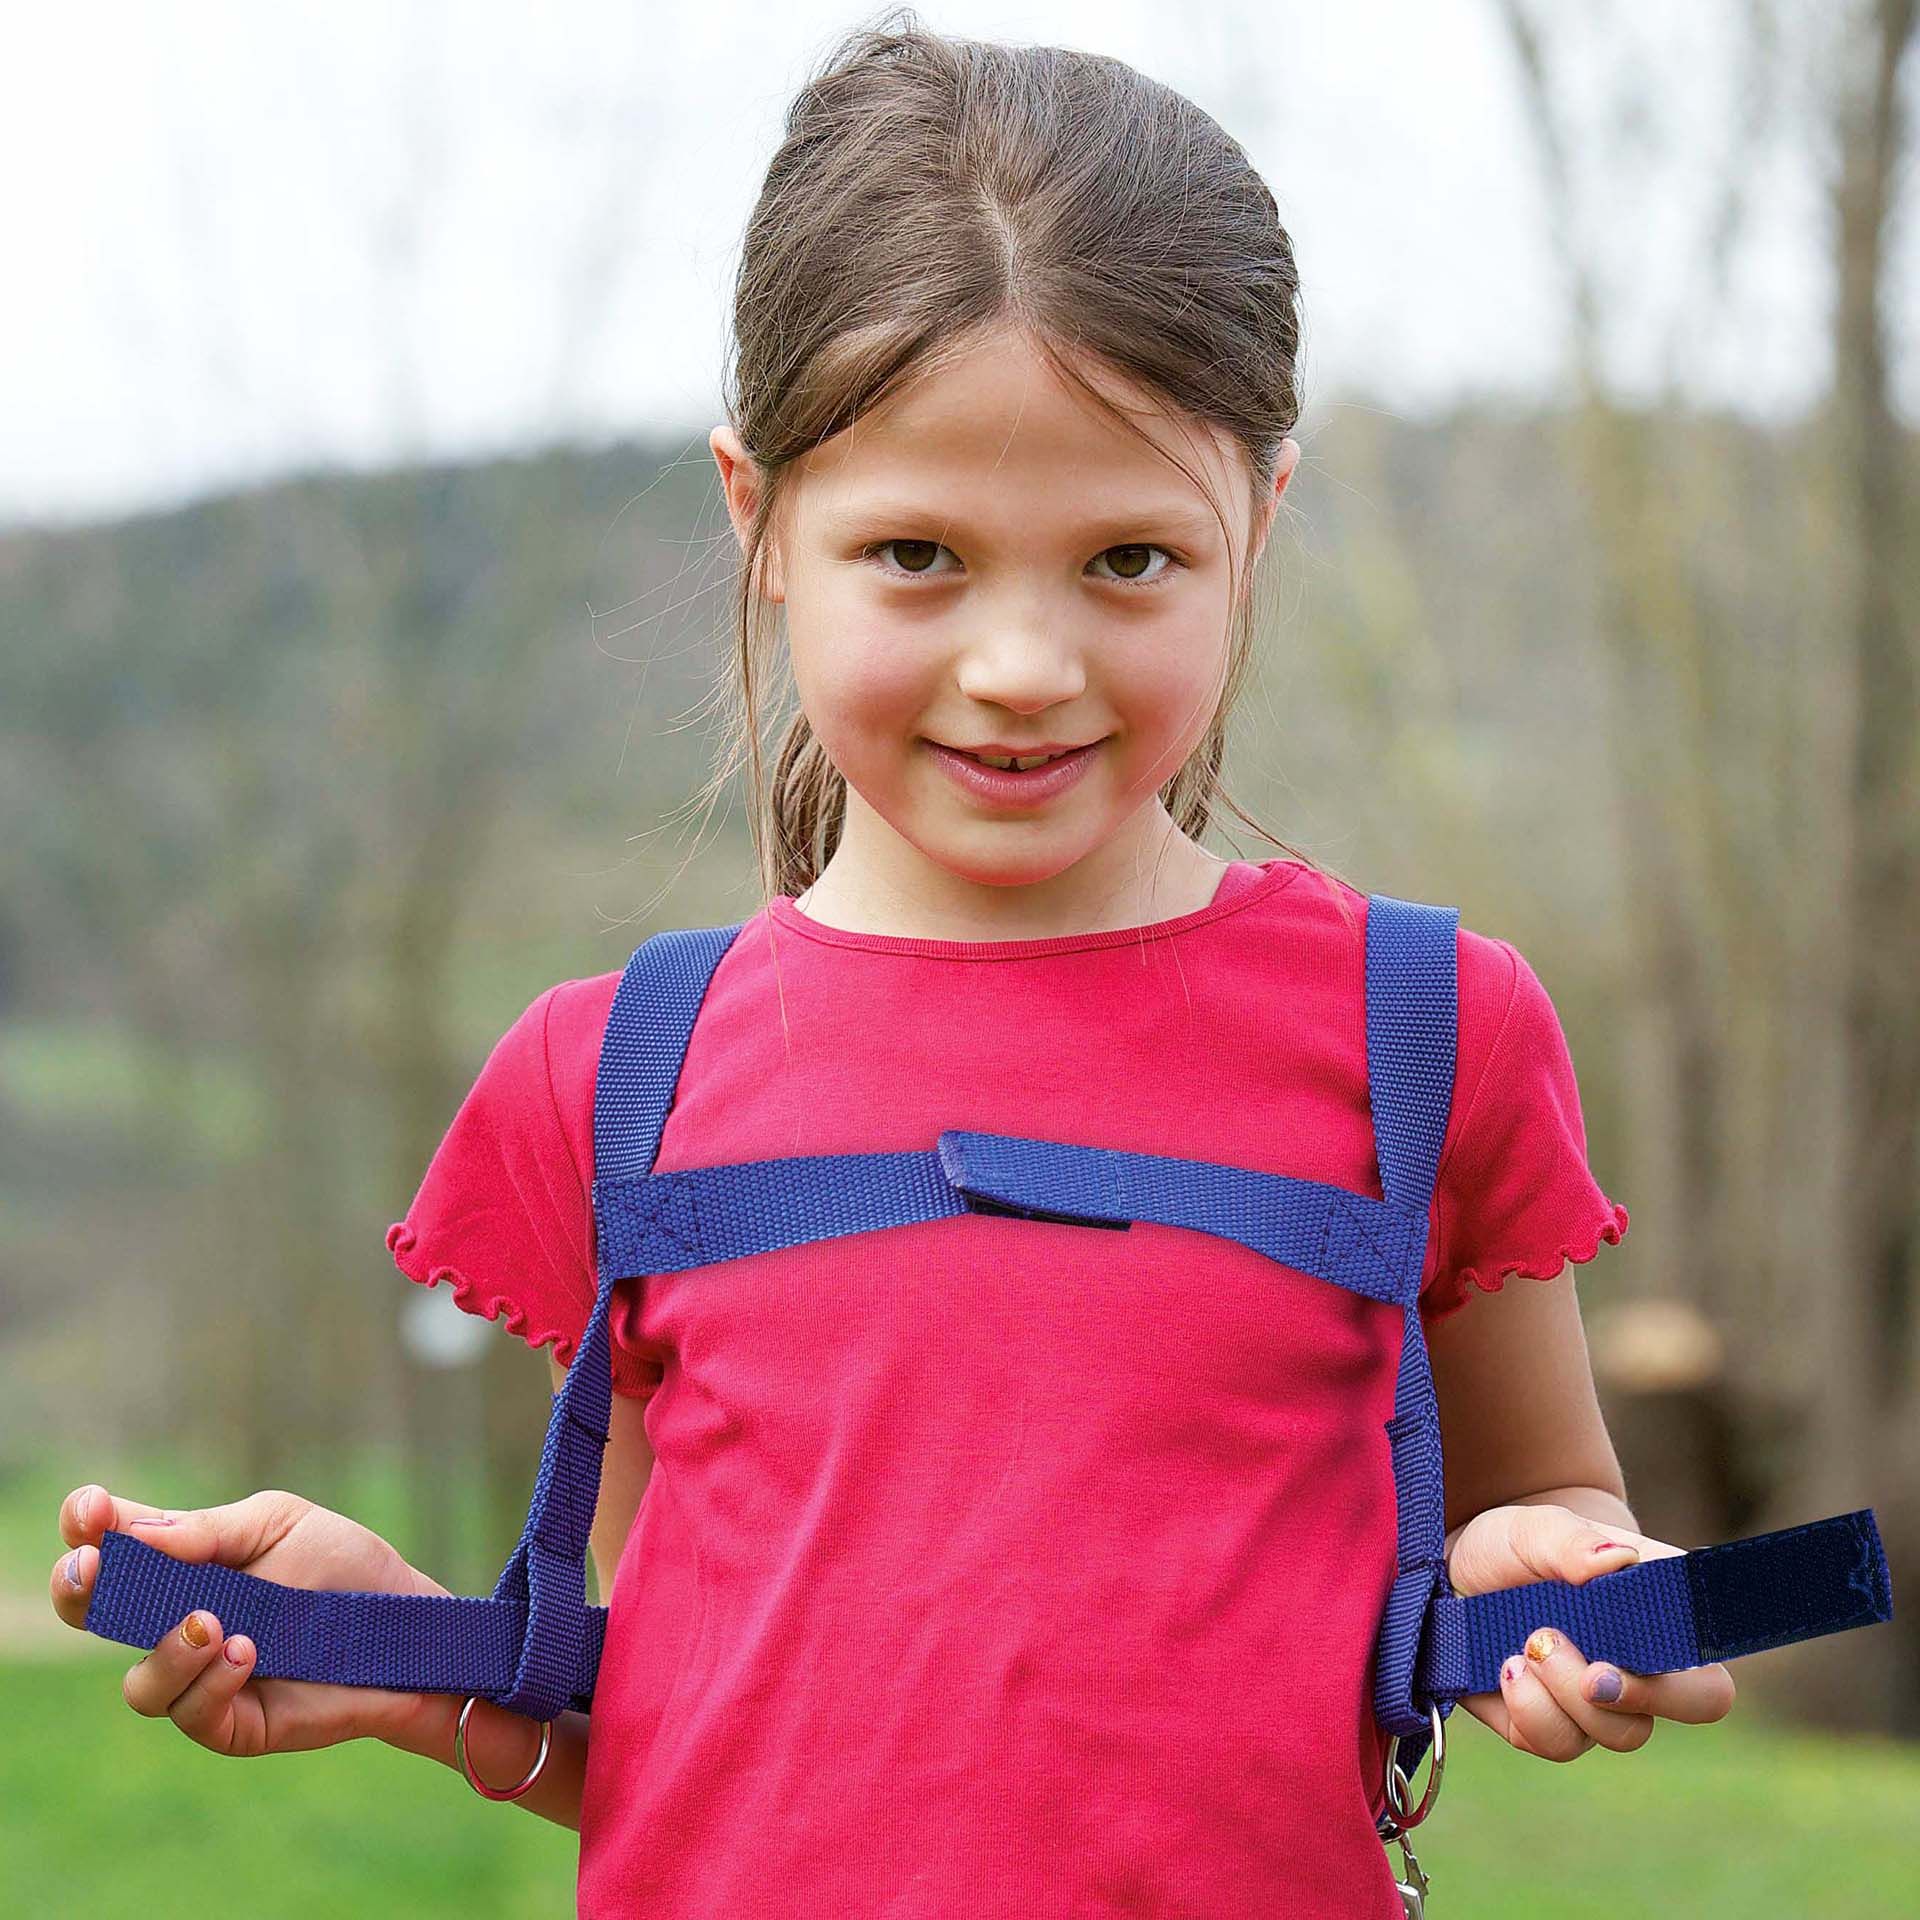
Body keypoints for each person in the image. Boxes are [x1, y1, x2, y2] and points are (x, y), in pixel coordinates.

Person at [48, 13, 1736, 1915]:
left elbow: (1559, 1518)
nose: (1023, 663)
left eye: (1128, 562)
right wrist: (411, 1660)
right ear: (761, 519)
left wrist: (1572, 1586)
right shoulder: (618, 1079)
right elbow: (672, 1724)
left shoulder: (1424, 1038)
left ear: (1259, 521)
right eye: (918, 552)